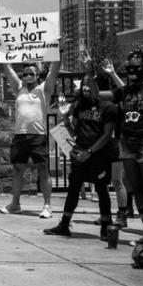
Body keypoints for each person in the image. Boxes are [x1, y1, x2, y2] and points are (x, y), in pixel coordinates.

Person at [101, 49, 143, 245]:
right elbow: (99, 95)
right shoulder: (125, 90)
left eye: (135, 67)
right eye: (128, 67)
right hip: (127, 143)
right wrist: (89, 72)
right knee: (137, 189)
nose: (131, 70)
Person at [43, 67, 116, 238]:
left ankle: (106, 225)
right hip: (80, 153)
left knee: (101, 189)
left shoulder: (108, 107)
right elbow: (73, 132)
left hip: (98, 154)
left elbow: (107, 135)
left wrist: (90, 152)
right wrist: (64, 117)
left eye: (89, 85)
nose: (85, 88)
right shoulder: (79, 105)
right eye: (83, 85)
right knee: (73, 188)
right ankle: (64, 224)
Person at [0, 59, 61, 218]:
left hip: (38, 135)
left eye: (31, 73)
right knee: (18, 169)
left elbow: (54, 70)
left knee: (43, 169)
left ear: (37, 75)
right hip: (20, 135)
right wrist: (2, 51)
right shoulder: (19, 88)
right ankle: (15, 204)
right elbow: (8, 69)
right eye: (25, 74)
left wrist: (57, 52)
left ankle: (47, 206)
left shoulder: (44, 89)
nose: (27, 76)